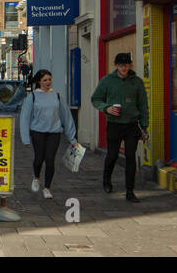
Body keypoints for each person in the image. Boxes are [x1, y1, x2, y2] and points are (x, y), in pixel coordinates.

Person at [91, 51, 149, 202]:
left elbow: (143, 105)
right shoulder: (107, 81)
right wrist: (106, 108)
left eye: (127, 65)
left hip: (132, 124)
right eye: (121, 65)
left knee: (130, 157)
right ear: (116, 65)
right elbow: (96, 99)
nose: (124, 68)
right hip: (114, 124)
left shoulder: (137, 82)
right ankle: (106, 180)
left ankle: (130, 191)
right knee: (112, 155)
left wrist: (144, 126)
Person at [19, 69, 77, 199]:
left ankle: (47, 188)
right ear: (39, 81)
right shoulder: (32, 97)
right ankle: (36, 177)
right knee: (39, 158)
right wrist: (25, 138)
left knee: (50, 160)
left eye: (49, 79)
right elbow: (25, 118)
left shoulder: (57, 95)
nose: (47, 82)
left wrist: (72, 137)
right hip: (38, 132)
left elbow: (66, 116)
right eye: (45, 80)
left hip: (54, 133)